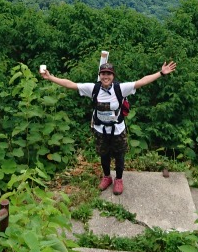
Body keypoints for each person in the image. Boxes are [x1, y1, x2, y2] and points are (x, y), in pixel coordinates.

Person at [41, 57, 176, 194]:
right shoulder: (93, 88)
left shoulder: (120, 89)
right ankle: (107, 177)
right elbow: (71, 84)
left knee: (119, 155)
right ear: (99, 75)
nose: (106, 76)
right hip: (100, 129)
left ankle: (118, 179)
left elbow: (141, 82)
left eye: (108, 74)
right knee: (104, 154)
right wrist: (51, 78)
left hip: (117, 129)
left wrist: (161, 73)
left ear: (113, 76)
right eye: (103, 74)